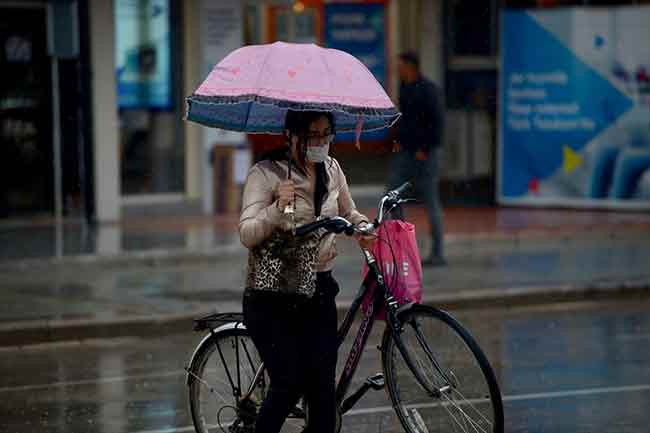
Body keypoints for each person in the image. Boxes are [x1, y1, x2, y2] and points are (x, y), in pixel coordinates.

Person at [239, 110, 374, 433]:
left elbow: (348, 210)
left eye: (327, 134)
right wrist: (274, 209)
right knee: (288, 382)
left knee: (323, 390)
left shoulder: (332, 168)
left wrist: (364, 227)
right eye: (313, 135)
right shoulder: (267, 173)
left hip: (319, 291)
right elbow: (247, 232)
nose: (321, 142)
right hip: (273, 296)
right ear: (291, 134)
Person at [390, 51, 446, 266]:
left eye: (401, 65)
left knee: (430, 201)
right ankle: (400, 246)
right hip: (405, 153)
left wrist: (425, 148)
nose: (398, 70)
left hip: (424, 155)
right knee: (392, 196)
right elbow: (405, 122)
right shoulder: (405, 89)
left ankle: (438, 252)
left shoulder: (428, 90)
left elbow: (437, 123)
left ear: (411, 66)